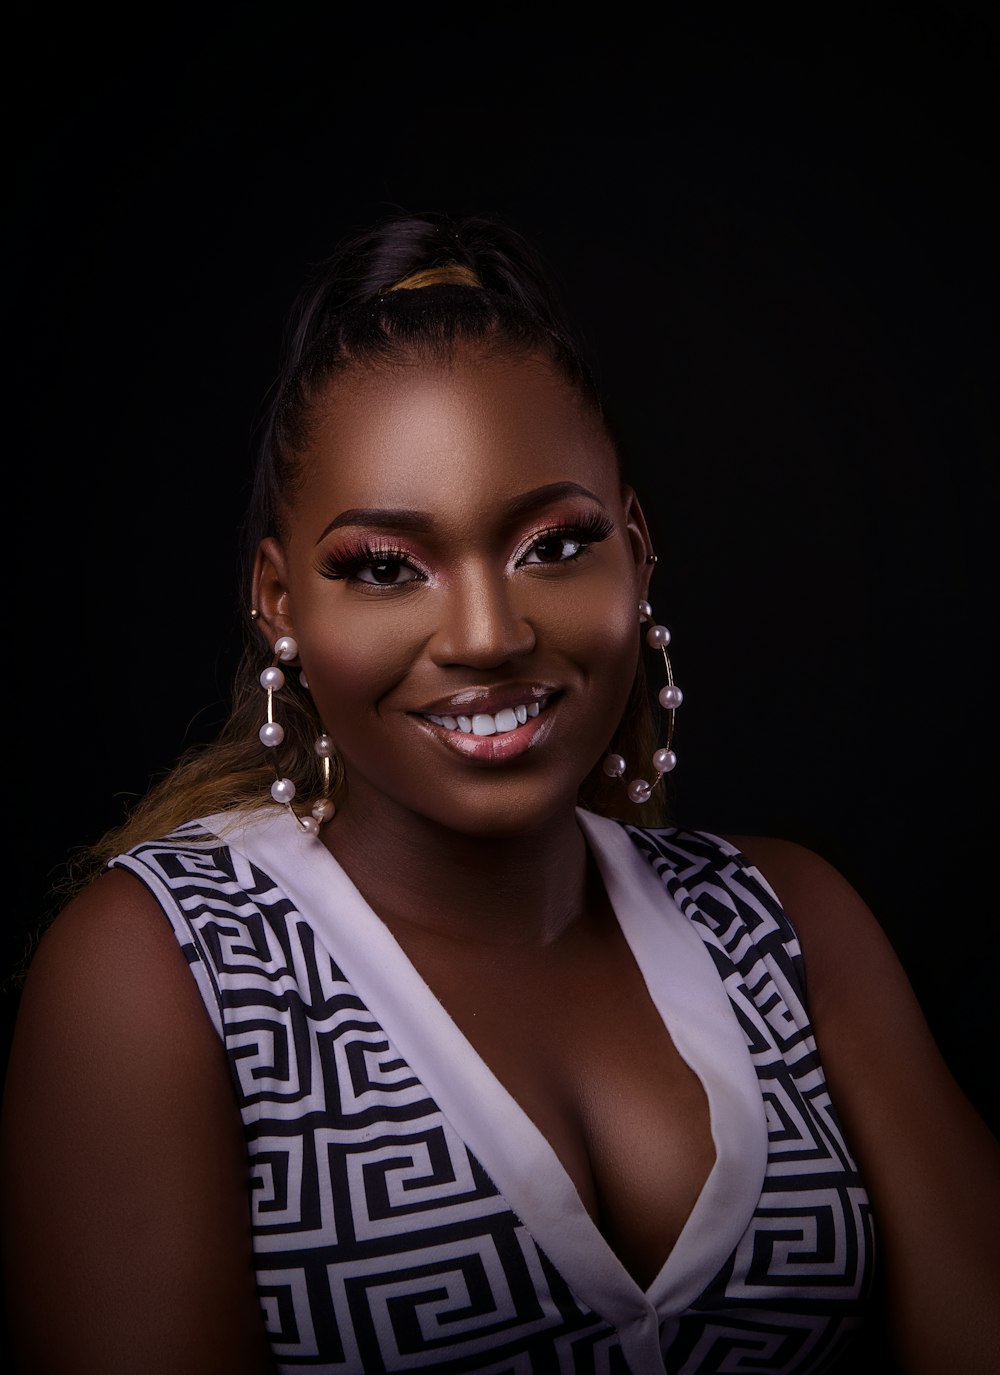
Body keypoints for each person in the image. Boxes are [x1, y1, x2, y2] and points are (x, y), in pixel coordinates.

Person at [2, 212, 997, 1375]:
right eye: (385, 567)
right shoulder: (163, 973)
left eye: (554, 545)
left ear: (637, 549)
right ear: (278, 600)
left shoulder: (788, 925)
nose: (489, 634)